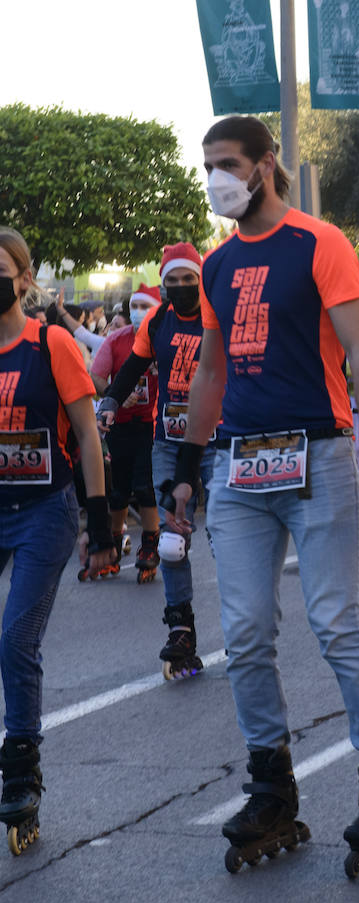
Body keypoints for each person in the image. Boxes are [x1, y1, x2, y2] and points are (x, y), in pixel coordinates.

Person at [165, 116, 359, 875]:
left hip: (320, 455)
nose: (217, 180)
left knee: (336, 619)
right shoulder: (213, 267)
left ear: (266, 166)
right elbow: (210, 372)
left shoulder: (319, 243)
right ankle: (271, 783)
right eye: (207, 166)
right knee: (243, 634)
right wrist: (185, 461)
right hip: (238, 469)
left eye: (228, 164)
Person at [0, 226, 116, 856]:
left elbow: (87, 435)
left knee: (16, 637)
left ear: (23, 279)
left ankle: (20, 769)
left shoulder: (53, 345)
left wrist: (98, 524)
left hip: (46, 508)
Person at [96, 243, 217, 679]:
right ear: (164, 283)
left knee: (226, 537)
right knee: (172, 539)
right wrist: (111, 398)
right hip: (168, 440)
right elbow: (132, 367)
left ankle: (246, 628)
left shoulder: (216, 314)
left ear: (201, 280)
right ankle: (181, 627)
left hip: (219, 443)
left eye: (189, 280)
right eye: (174, 281)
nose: (182, 288)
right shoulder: (158, 319)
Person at [88, 283, 162, 582]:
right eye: (134, 306)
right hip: (118, 422)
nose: (137, 312)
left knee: (145, 487)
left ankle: (149, 545)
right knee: (118, 490)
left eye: (144, 307)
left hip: (152, 424)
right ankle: (115, 544)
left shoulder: (163, 337)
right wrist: (114, 395)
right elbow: (96, 376)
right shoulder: (117, 340)